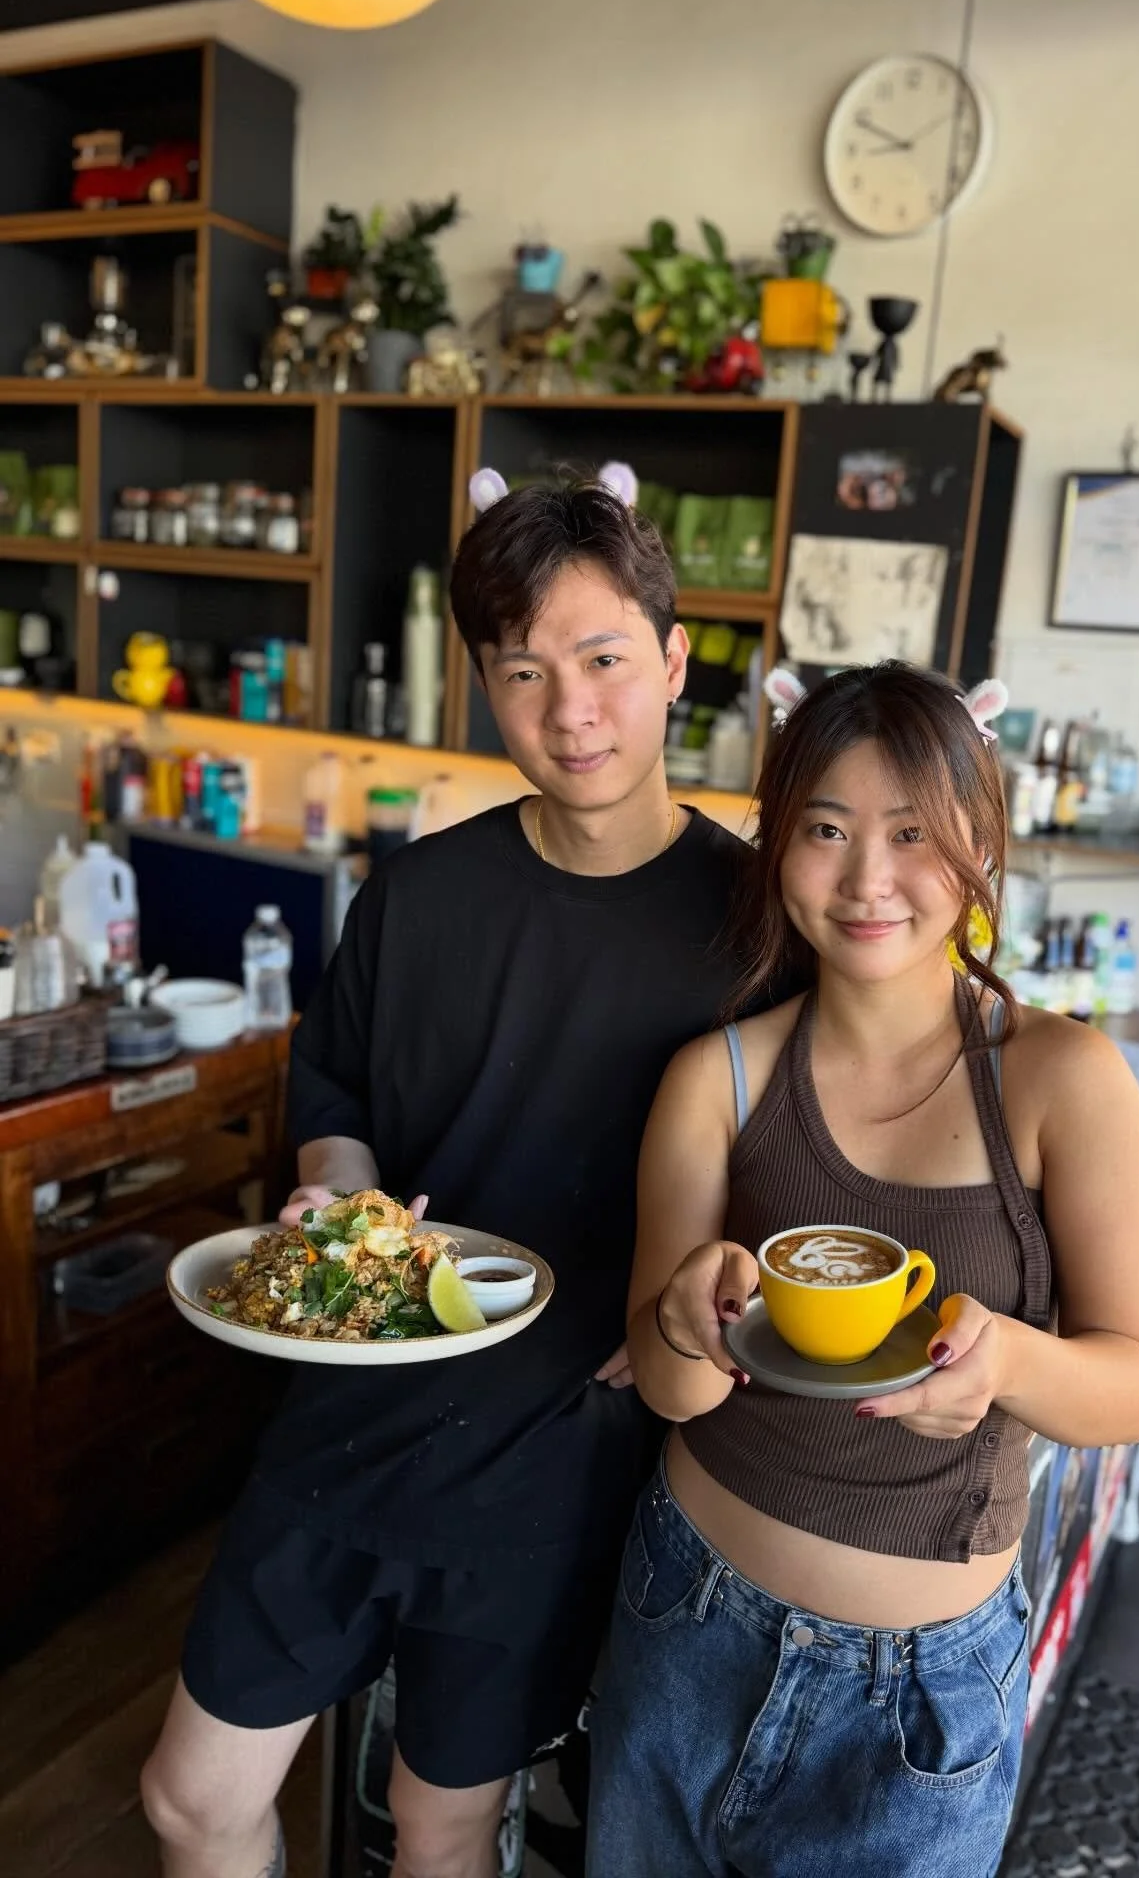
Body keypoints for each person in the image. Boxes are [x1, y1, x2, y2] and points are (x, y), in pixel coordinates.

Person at [141, 467, 760, 1878]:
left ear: (674, 660)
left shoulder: (749, 925)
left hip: (551, 1452)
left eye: (605, 659)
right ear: (484, 684)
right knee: (192, 1795)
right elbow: (338, 1086)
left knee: (442, 1824)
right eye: (524, 670)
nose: (572, 710)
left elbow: (788, 1157)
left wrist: (673, 1313)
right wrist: (339, 1190)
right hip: (351, 1407)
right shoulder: (422, 893)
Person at [588, 663, 1139, 1878]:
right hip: (685, 1621)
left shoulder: (1065, 1080)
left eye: (912, 834)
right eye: (825, 830)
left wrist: (1007, 1360)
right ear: (778, 846)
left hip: (922, 1699)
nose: (867, 879)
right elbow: (664, 1385)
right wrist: (690, 1326)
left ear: (977, 847)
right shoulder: (719, 1079)